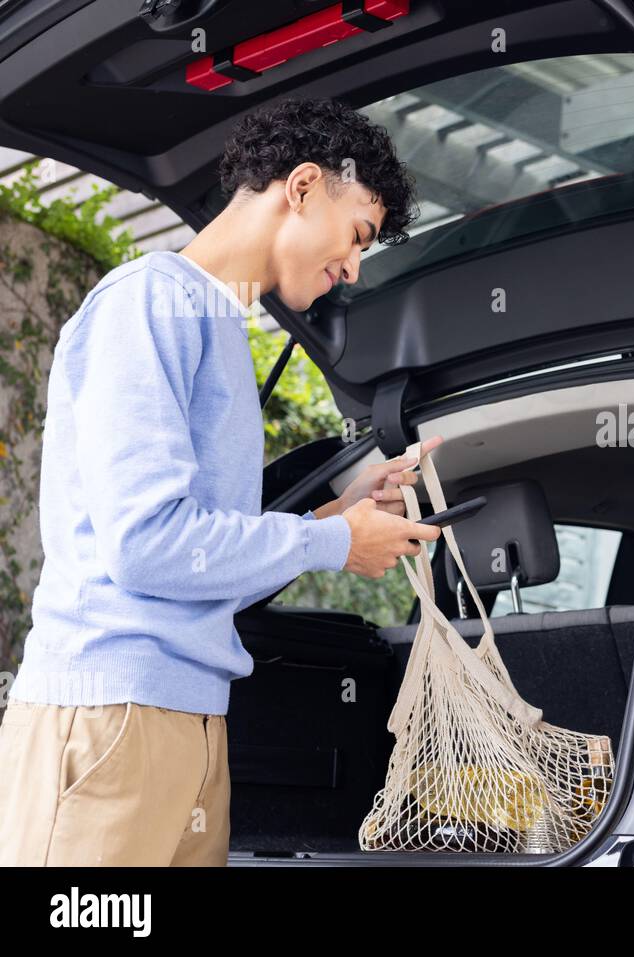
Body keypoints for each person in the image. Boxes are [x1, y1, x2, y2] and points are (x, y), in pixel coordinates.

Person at [0, 97, 440, 865]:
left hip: (193, 725)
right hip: (110, 714)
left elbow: (203, 573)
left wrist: (337, 517)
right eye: (357, 235)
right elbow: (146, 545)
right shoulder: (149, 302)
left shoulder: (223, 330)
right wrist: (333, 542)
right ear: (303, 186)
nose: (353, 268)